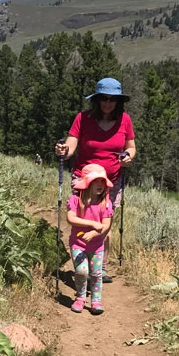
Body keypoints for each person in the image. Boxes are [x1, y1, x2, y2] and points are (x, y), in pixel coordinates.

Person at [54, 77, 136, 274]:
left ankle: (100, 266)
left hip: (111, 180)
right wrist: (64, 150)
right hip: (85, 179)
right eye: (104, 99)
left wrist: (128, 157)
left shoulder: (125, 120)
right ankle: (82, 260)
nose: (108, 103)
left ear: (118, 102)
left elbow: (131, 147)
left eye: (112, 99)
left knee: (104, 220)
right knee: (82, 217)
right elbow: (72, 143)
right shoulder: (83, 118)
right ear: (97, 100)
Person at [66, 164, 113, 314]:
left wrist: (94, 233)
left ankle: (96, 300)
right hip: (78, 244)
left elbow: (106, 225)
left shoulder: (105, 203)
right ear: (86, 183)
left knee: (96, 274)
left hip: (97, 245)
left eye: (102, 181)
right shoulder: (75, 199)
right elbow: (70, 218)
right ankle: (80, 298)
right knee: (81, 272)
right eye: (96, 181)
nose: (100, 185)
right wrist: (92, 224)